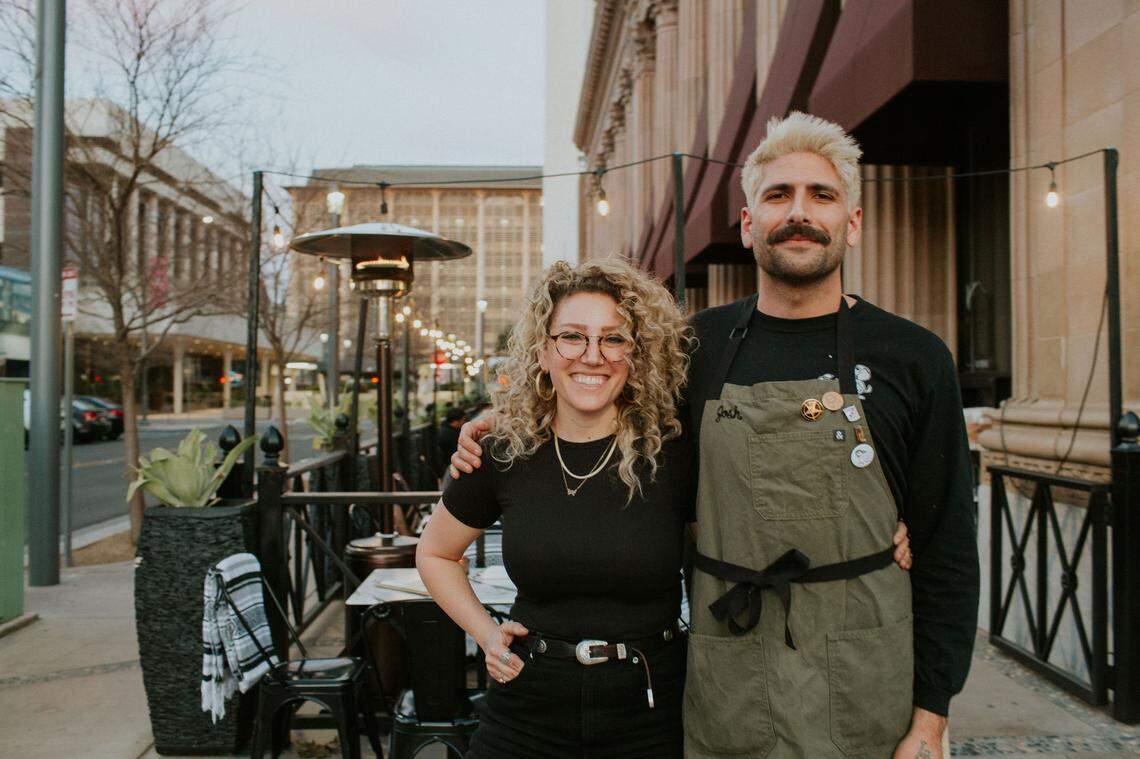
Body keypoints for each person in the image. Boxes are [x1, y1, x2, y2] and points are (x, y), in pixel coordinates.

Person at [452, 111, 975, 759]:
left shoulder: (915, 357)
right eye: (777, 195)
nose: (800, 212)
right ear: (749, 223)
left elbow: (948, 548)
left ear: (854, 222)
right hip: (731, 677)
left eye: (822, 195)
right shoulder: (691, 349)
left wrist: (932, 713)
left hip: (866, 674)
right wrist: (502, 421)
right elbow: (597, 400)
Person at [416, 259, 697, 758]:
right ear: (543, 352)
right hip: (526, 706)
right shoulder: (502, 451)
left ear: (636, 356)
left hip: (650, 709)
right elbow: (435, 555)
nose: (593, 356)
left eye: (614, 339)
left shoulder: (673, 452)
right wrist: (485, 633)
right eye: (572, 337)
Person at [436, 406, 466, 478]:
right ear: (456, 421)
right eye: (463, 420)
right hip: (449, 467)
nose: (464, 422)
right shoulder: (449, 434)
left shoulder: (447, 429)